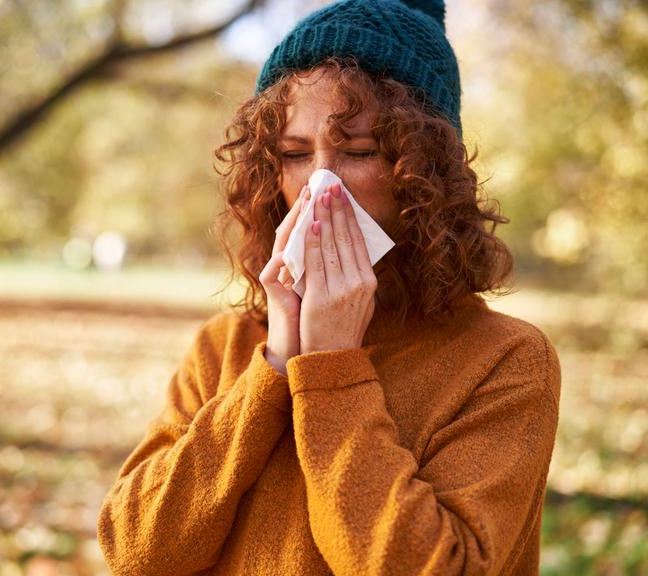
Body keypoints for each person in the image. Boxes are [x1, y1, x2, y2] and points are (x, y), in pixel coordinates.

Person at [97, 0, 562, 574]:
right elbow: (136, 552)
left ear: (424, 172)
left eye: (359, 151)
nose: (321, 184)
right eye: (295, 155)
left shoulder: (505, 361)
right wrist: (273, 365)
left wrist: (333, 369)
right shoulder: (224, 348)